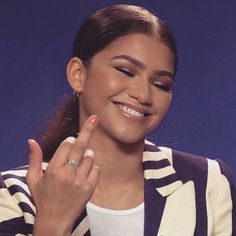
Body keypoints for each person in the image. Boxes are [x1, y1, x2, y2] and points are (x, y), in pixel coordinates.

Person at [0, 4, 235, 236]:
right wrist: (52, 224)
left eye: (161, 85)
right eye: (125, 71)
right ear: (78, 74)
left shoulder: (208, 183)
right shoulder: (15, 193)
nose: (143, 95)